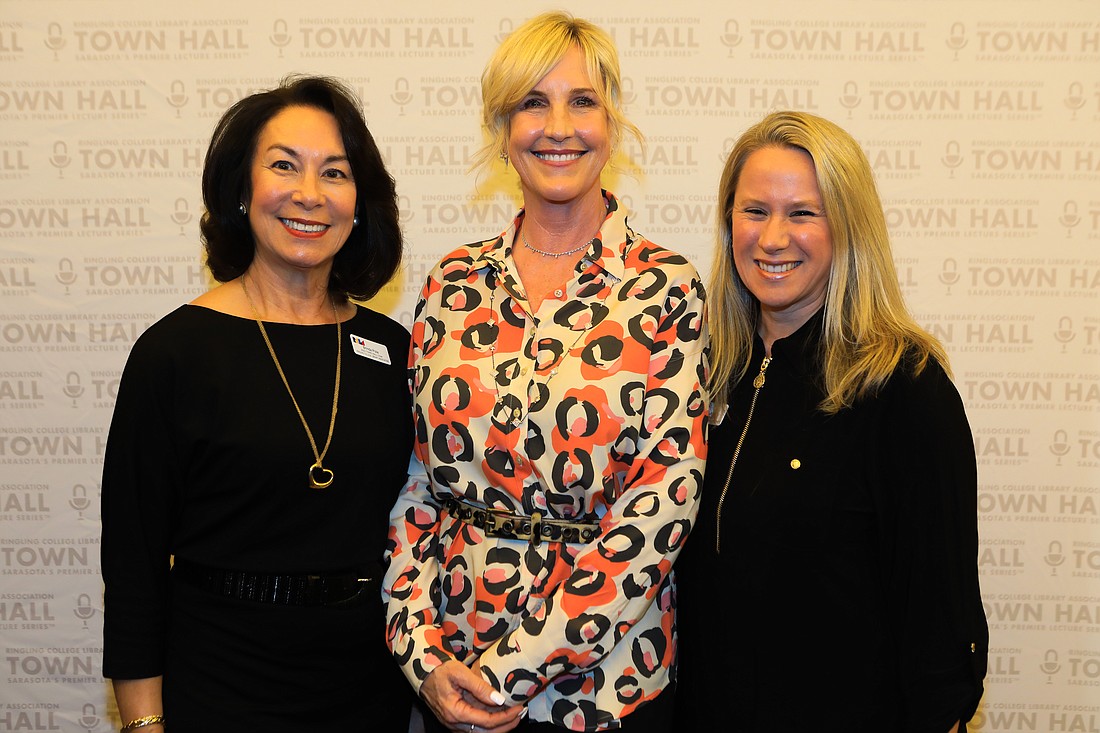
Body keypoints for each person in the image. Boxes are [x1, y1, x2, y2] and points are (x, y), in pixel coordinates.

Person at [382, 12, 709, 733]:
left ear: (612, 124)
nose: (558, 124)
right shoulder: (452, 281)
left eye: (582, 101)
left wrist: (510, 672)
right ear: (503, 131)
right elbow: (418, 486)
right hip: (450, 681)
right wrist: (421, 653)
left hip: (604, 696)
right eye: (533, 102)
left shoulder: (666, 286)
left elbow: (661, 508)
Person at [100, 76, 414, 732]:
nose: (309, 193)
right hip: (218, 688)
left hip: (369, 692)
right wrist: (142, 723)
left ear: (360, 202)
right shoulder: (173, 353)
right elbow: (133, 569)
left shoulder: (394, 350)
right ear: (242, 192)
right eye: (283, 166)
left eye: (335, 172)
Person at [675, 110, 988, 732]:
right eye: (755, 211)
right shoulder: (702, 377)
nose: (772, 238)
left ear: (848, 227)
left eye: (802, 213)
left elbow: (941, 638)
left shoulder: (905, 389)